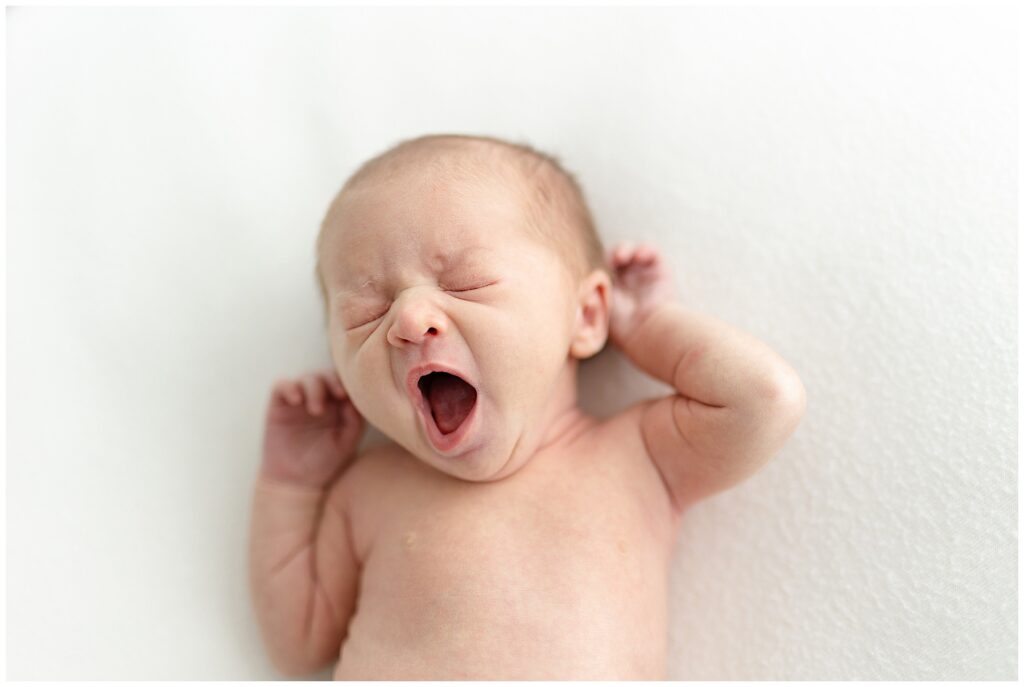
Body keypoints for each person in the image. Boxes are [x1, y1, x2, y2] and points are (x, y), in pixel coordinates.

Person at [248, 133, 806, 679]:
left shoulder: (637, 459)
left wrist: (646, 327)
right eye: (366, 312)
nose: (410, 321)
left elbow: (762, 401)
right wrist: (291, 487)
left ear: (586, 316)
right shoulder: (366, 491)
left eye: (464, 283)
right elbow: (298, 644)